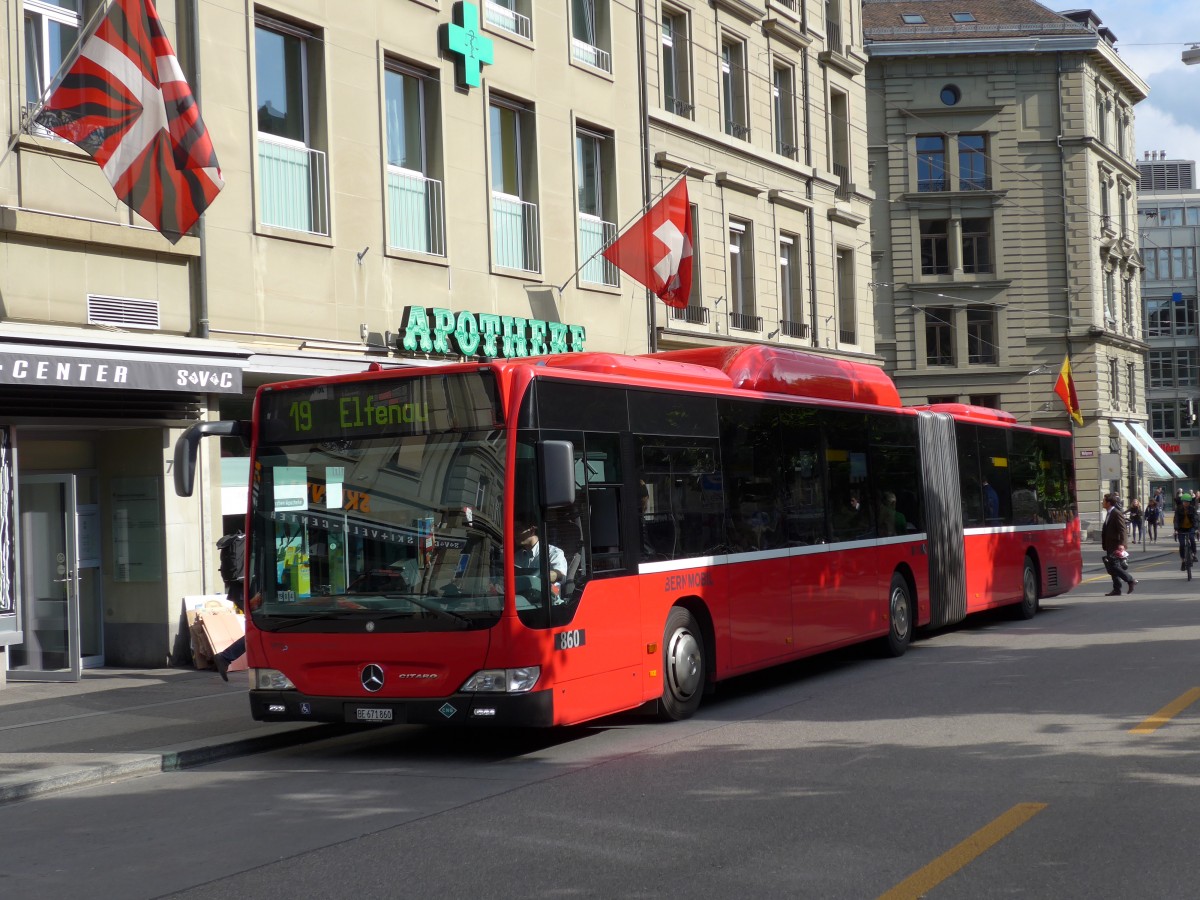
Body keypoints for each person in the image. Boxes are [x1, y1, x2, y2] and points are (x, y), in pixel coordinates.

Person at [514, 520, 568, 599]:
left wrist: (538, 577)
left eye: (518, 529)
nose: (514, 533)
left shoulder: (553, 552)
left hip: (546, 600)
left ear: (532, 530)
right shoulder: (517, 557)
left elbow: (560, 574)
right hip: (521, 599)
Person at [1101, 493, 1137, 595]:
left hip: (1115, 544)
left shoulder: (1116, 513)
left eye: (1104, 501)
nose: (1102, 502)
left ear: (1108, 503)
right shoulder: (1109, 513)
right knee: (1112, 567)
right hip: (1109, 544)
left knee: (1114, 566)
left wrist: (1122, 544)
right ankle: (1117, 589)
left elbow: (1123, 530)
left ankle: (1130, 580)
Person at [1174, 492, 1198, 571]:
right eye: (1184, 502)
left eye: (1187, 502)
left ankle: (1194, 554)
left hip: (1191, 527)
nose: (1186, 503)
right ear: (1182, 502)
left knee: (1192, 539)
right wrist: (1176, 529)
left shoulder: (1192, 509)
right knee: (1182, 544)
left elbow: (1195, 519)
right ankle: (1183, 561)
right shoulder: (1178, 509)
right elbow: (1176, 520)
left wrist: (1196, 529)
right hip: (1181, 528)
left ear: (1189, 502)